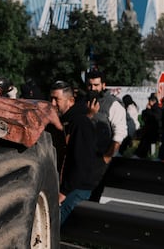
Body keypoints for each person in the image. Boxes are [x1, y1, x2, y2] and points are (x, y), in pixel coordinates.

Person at [49, 80, 107, 225]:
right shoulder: (67, 122)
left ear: (71, 101)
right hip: (71, 185)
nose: (53, 103)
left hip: (77, 188)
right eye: (51, 98)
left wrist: (63, 192)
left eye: (56, 99)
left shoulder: (79, 123)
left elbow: (81, 162)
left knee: (50, 226)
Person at [86, 69, 128, 202]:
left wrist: (107, 157)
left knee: (91, 196)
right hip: (83, 155)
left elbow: (120, 134)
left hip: (100, 157)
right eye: (90, 85)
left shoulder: (113, 104)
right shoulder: (83, 101)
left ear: (104, 85)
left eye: (96, 85)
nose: (93, 88)